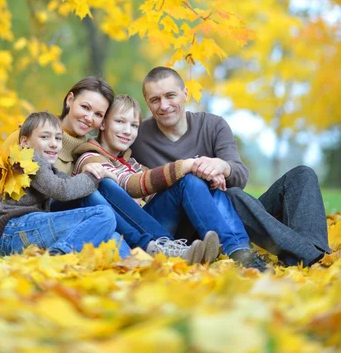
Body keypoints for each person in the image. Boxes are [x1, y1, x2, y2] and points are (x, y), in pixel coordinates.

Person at [0, 77, 217, 265]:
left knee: (106, 224)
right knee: (100, 199)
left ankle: (144, 260)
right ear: (70, 100)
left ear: (102, 121)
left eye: (98, 114)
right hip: (25, 219)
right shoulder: (30, 138)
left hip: (54, 214)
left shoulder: (85, 148)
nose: (89, 117)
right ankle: (158, 245)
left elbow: (92, 180)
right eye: (85, 107)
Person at [131, 66, 330, 267]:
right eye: (155, 99)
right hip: (192, 229)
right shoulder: (136, 136)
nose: (164, 105)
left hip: (232, 215)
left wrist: (221, 166)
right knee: (228, 193)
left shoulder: (213, 125)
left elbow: (240, 175)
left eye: (170, 96)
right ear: (147, 102)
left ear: (185, 94)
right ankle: (304, 253)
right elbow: (116, 164)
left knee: (301, 175)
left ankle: (313, 252)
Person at [74, 94, 258, 267]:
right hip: (129, 234)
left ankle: (237, 251)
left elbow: (155, 193)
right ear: (103, 124)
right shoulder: (90, 156)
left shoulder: (133, 164)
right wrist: (186, 165)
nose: (127, 131)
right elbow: (129, 184)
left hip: (148, 224)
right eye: (120, 122)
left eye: (134, 125)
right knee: (107, 183)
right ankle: (171, 247)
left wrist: (206, 172)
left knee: (192, 181)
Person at [0, 111, 131, 257]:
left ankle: (131, 263)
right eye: (44, 137)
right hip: (10, 231)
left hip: (22, 231)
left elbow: (67, 183)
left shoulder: (48, 169)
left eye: (58, 138)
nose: (54, 144)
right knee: (104, 215)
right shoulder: (27, 159)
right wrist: (94, 176)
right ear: (24, 142)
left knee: (109, 234)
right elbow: (62, 190)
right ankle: (59, 255)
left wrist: (91, 173)